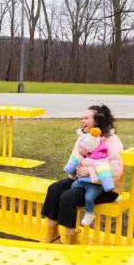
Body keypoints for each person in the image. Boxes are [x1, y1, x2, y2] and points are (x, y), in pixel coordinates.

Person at [41, 105, 124, 245]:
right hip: (82, 180)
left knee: (68, 197)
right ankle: (52, 232)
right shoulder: (83, 138)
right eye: (82, 118)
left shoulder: (112, 141)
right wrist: (77, 167)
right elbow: (73, 161)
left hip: (106, 187)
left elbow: (116, 170)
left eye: (86, 118)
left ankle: (71, 239)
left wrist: (90, 172)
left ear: (97, 121)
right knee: (54, 189)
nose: (82, 121)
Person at [64, 127, 115, 226]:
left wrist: (108, 185)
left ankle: (89, 214)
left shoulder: (98, 161)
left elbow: (104, 173)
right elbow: (73, 163)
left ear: (88, 151)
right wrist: (69, 168)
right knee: (72, 187)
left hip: (93, 185)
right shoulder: (82, 157)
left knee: (89, 198)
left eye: (81, 148)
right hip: (81, 182)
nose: (78, 149)